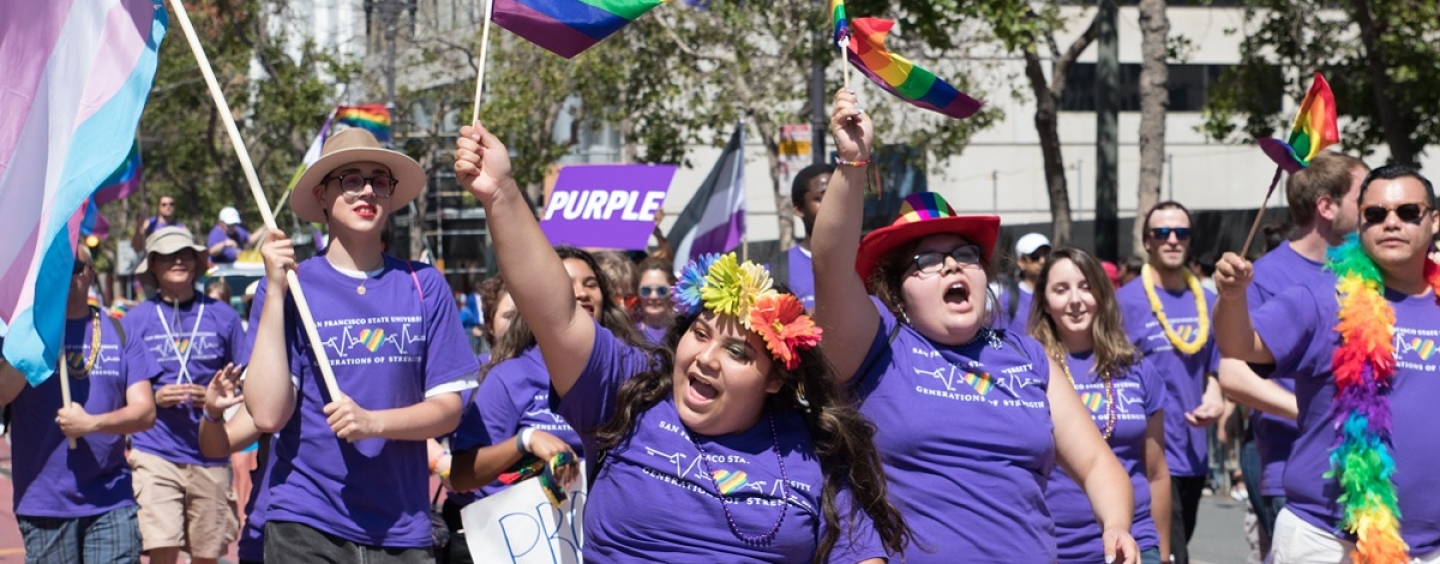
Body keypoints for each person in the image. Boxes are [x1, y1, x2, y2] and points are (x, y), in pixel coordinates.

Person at [454, 119, 910, 561]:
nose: (707, 358)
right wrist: (502, 194)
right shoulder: (628, 394)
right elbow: (557, 312)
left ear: (774, 378)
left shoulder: (813, 447)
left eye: (736, 352)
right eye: (701, 333)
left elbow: (860, 555)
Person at [810, 90, 1138, 564]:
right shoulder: (878, 343)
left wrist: (1116, 526)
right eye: (927, 260)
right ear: (897, 291)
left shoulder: (1026, 356)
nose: (952, 268)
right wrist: (852, 164)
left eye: (964, 256)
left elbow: (1095, 463)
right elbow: (830, 263)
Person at [247, 127, 479, 562]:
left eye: (378, 180)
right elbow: (266, 412)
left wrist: (374, 423)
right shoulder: (291, 287)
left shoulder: (423, 284)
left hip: (402, 526)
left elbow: (448, 409)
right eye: (350, 179)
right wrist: (275, 292)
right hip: (306, 521)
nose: (366, 190)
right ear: (322, 195)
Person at [1213, 164, 1440, 563]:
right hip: (1325, 540)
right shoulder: (1322, 297)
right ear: (1361, 223)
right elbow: (1240, 346)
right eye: (1375, 214)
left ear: (1433, 220)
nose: (1391, 223)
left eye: (1407, 212)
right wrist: (1232, 298)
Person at [448, 246, 648, 561]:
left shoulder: (632, 370)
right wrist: (525, 441)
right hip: (523, 545)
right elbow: (460, 476)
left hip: (606, 544)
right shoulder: (508, 378)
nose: (581, 294)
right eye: (567, 285)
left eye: (590, 284)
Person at [1216, 151, 1368, 554]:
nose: (1376, 207)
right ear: (1327, 206)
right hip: (1292, 471)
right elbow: (1233, 373)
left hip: (1361, 476)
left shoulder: (1366, 275)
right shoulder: (1266, 275)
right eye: (1364, 196)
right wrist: (1316, 413)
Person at [0, 246, 161, 563]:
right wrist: (35, 333)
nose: (66, 273)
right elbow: (3, 394)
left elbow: (145, 412)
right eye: (56, 267)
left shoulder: (120, 330)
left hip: (111, 496)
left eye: (74, 265)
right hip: (45, 501)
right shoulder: (24, 336)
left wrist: (92, 424)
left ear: (90, 273)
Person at [1030, 247, 1172, 564]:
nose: (1076, 300)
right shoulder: (1028, 372)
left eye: (1085, 286)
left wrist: (1162, 553)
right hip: (1055, 547)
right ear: (1045, 303)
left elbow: (1157, 472)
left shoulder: (1137, 368)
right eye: (1061, 289)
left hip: (1133, 544)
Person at [124, 227, 250, 564]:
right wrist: (154, 395)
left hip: (209, 453)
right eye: (167, 255)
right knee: (161, 547)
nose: (178, 260)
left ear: (197, 262)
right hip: (155, 452)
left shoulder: (223, 316)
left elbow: (248, 380)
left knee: (206, 554)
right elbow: (120, 387)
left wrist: (218, 396)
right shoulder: (135, 320)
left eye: (185, 254)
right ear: (152, 266)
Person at [1115, 200, 1224, 564]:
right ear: (1147, 241)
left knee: (1179, 547)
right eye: (1162, 233)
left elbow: (1217, 368)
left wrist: (1216, 395)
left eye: (1182, 232)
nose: (1173, 240)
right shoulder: (1124, 303)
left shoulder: (1208, 301)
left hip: (1194, 452)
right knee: (1170, 555)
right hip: (1147, 457)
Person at [773, 163, 832, 310]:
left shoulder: (869, 258)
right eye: (820, 198)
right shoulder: (775, 272)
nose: (833, 205)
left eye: (838, 196)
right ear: (799, 209)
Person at [999, 232, 1051, 334]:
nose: (1042, 261)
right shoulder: (1008, 298)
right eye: (1035, 256)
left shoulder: (1058, 294)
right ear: (1021, 262)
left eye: (1046, 255)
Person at [635, 256, 677, 344]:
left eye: (661, 290)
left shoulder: (682, 328)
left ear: (672, 290)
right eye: (645, 290)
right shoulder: (629, 329)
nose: (653, 296)